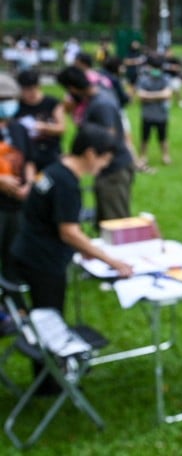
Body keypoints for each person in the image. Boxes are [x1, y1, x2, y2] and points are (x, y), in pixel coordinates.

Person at [9, 123, 133, 314]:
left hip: (26, 250)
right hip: (44, 261)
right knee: (49, 318)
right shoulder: (67, 185)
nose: (105, 165)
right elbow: (69, 233)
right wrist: (112, 262)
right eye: (105, 159)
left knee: (37, 311)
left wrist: (83, 247)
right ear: (91, 154)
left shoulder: (53, 170)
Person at [56, 66, 134, 223]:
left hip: (114, 170)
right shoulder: (99, 96)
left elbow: (108, 138)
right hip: (108, 168)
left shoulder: (101, 105)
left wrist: (81, 158)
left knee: (115, 222)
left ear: (71, 88)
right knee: (105, 218)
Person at [0, 73, 36, 277]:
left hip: (17, 205)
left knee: (13, 254)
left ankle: (12, 298)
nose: (5, 105)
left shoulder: (19, 129)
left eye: (9, 99)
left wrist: (29, 183)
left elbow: (29, 160)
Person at [16, 69, 66, 170]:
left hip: (50, 152)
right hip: (27, 153)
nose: (31, 93)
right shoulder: (17, 106)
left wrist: (43, 127)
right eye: (27, 90)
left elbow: (61, 128)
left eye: (34, 88)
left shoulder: (52, 103)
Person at [136, 55, 173, 166]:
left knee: (163, 137)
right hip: (147, 114)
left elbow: (168, 94)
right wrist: (159, 95)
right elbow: (140, 95)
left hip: (162, 114)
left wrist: (149, 95)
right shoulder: (143, 79)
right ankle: (143, 156)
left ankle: (165, 156)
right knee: (144, 137)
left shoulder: (166, 78)